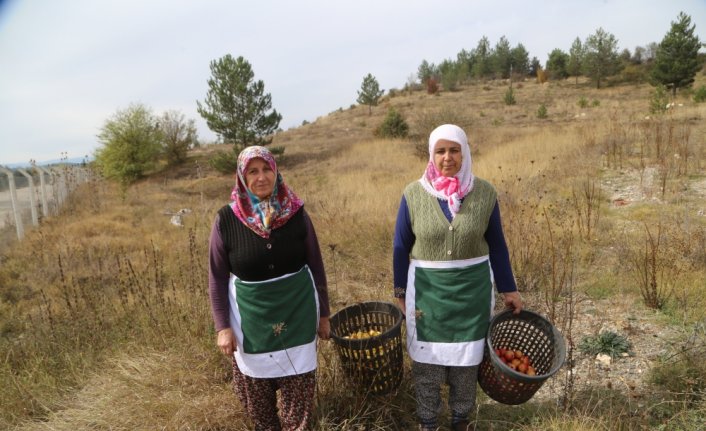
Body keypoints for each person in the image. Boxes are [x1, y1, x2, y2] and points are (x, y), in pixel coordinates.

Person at [392, 124, 522, 431]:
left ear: (464, 153)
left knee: (467, 362)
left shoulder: (485, 193)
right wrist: (399, 291)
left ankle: (460, 419)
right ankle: (427, 421)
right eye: (440, 151)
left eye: (454, 150)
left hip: (471, 292)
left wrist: (509, 289)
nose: (447, 158)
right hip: (427, 294)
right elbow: (400, 246)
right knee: (427, 363)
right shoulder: (414, 194)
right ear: (431, 155)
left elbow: (498, 245)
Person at [208, 145, 330, 431]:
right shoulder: (226, 219)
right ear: (241, 176)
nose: (261, 177)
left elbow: (316, 264)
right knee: (259, 410)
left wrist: (324, 314)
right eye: (253, 171)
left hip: (298, 317)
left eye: (267, 169)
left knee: (298, 409)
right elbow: (216, 276)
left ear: (276, 172)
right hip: (250, 324)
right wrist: (222, 327)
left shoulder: (297, 213)